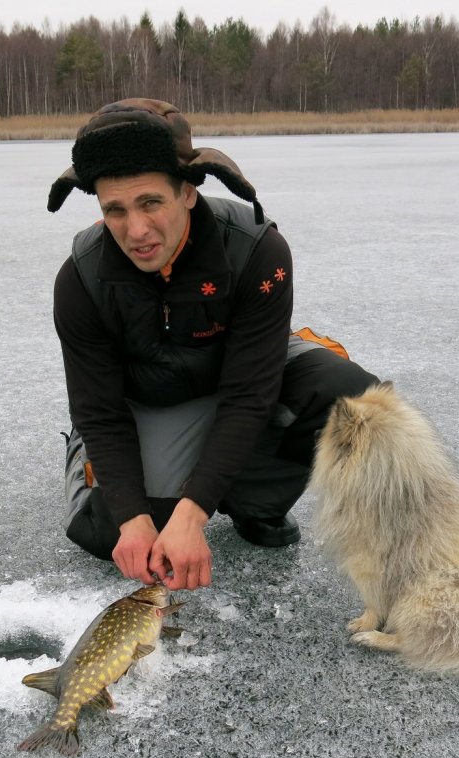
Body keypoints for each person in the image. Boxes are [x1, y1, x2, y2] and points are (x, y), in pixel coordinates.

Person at [47, 98, 378, 592]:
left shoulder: (256, 250)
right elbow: (100, 410)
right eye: (115, 209)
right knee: (120, 535)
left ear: (188, 192)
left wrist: (195, 512)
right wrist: (136, 518)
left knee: (351, 397)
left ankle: (254, 503)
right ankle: (85, 461)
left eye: (150, 203)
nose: (135, 231)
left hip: (237, 375)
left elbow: (251, 393)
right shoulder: (81, 278)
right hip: (148, 395)